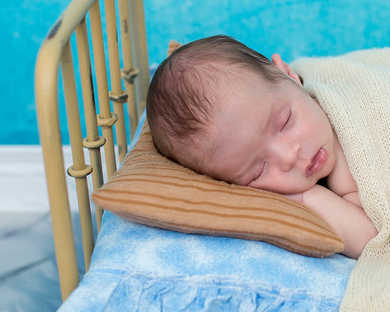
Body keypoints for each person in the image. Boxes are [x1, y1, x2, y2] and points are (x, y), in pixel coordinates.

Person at [147, 35, 377, 258]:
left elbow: (376, 240)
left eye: (284, 122)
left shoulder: (344, 155)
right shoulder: (291, 110)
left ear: (288, 74)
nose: (288, 156)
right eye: (259, 170)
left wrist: (308, 198)